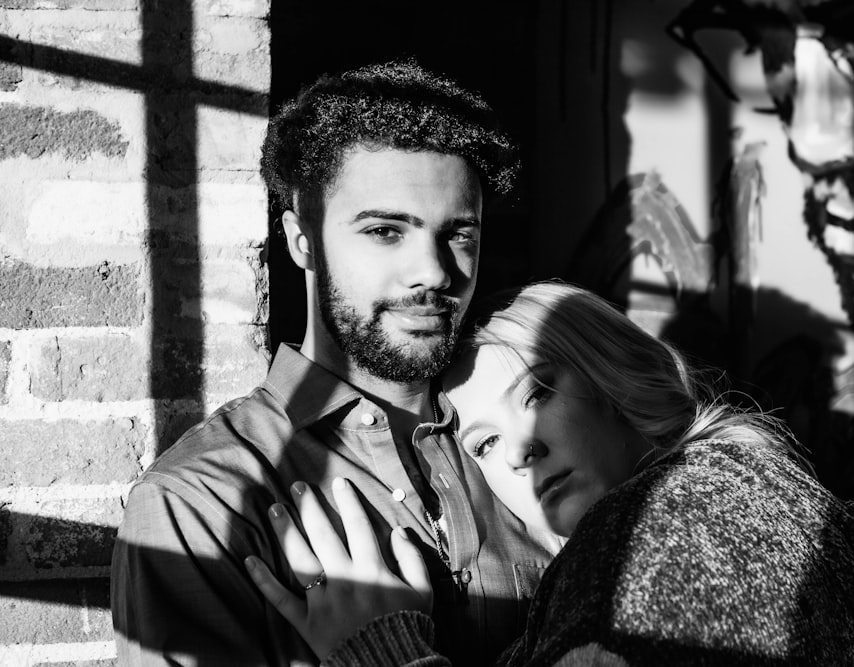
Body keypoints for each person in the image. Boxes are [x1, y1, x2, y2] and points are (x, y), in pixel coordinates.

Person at [110, 61, 561, 666]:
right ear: (302, 240)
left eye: (460, 235)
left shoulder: (528, 448)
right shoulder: (203, 500)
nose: (433, 271)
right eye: (384, 231)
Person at [247, 281, 854, 666]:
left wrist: (385, 654)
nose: (519, 451)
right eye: (484, 445)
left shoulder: (673, 526)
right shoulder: (746, 494)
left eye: (538, 393)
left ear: (616, 383)